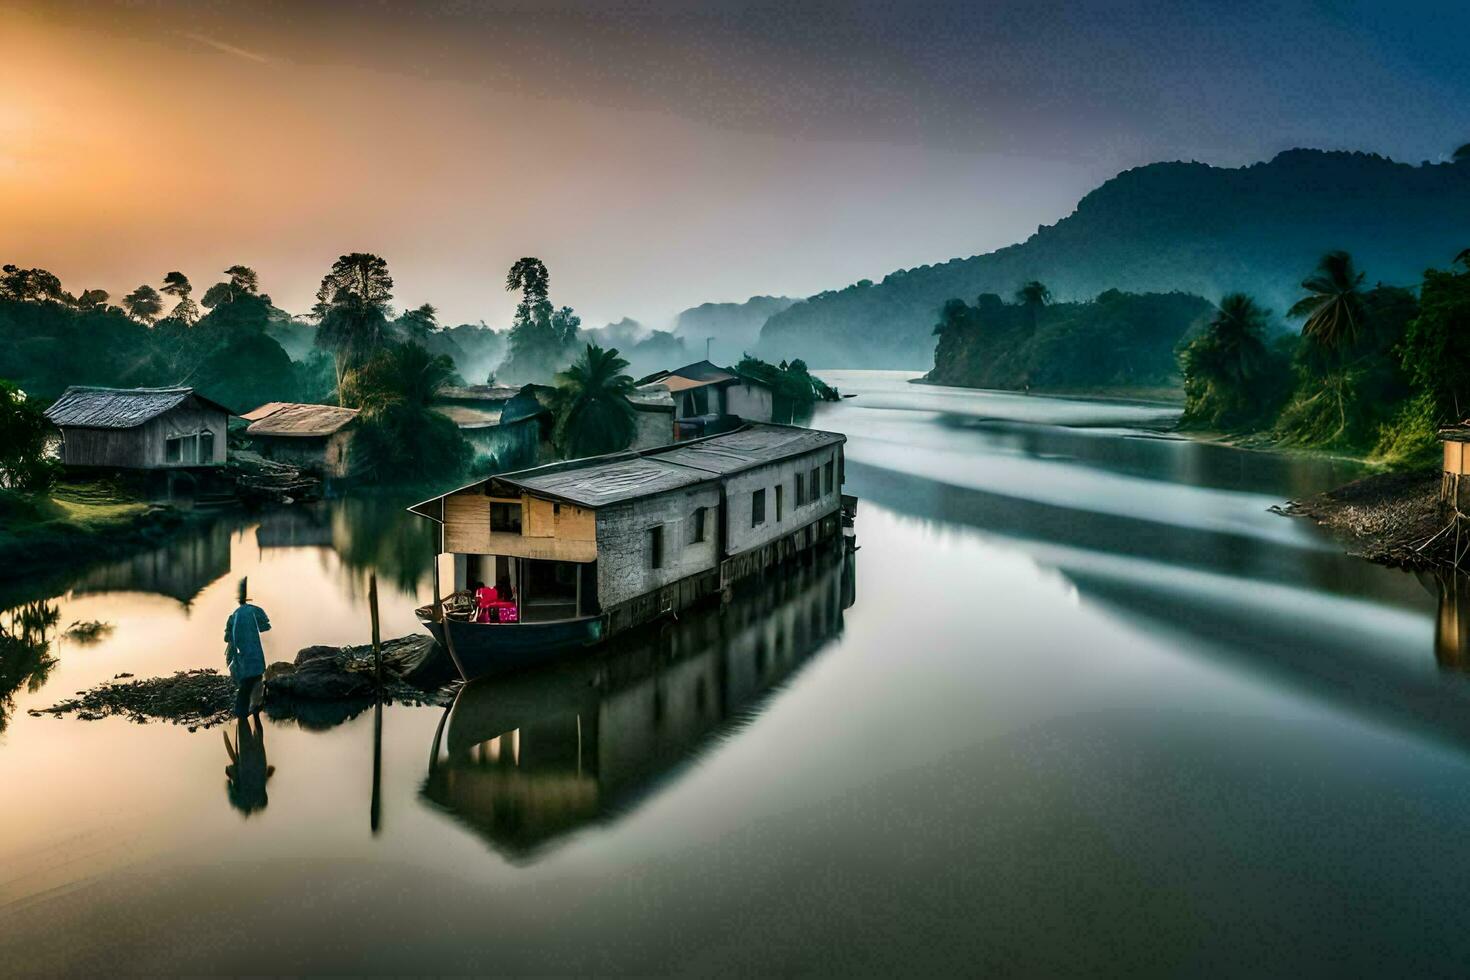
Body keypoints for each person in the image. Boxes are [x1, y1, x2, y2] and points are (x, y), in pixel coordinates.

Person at [224, 577, 271, 719]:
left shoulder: (233, 616)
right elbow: (266, 626)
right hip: (255, 654)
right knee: (256, 679)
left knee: (246, 684)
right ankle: (254, 710)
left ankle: (244, 715)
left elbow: (227, 637)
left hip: (243, 655)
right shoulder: (254, 611)